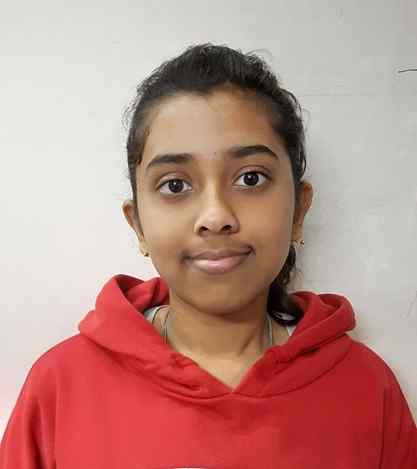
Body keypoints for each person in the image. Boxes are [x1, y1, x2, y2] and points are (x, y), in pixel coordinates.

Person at [0, 43, 416, 469]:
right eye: (175, 185)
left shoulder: (367, 391)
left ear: (299, 212)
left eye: (250, 178)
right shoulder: (61, 389)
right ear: (138, 225)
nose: (216, 217)